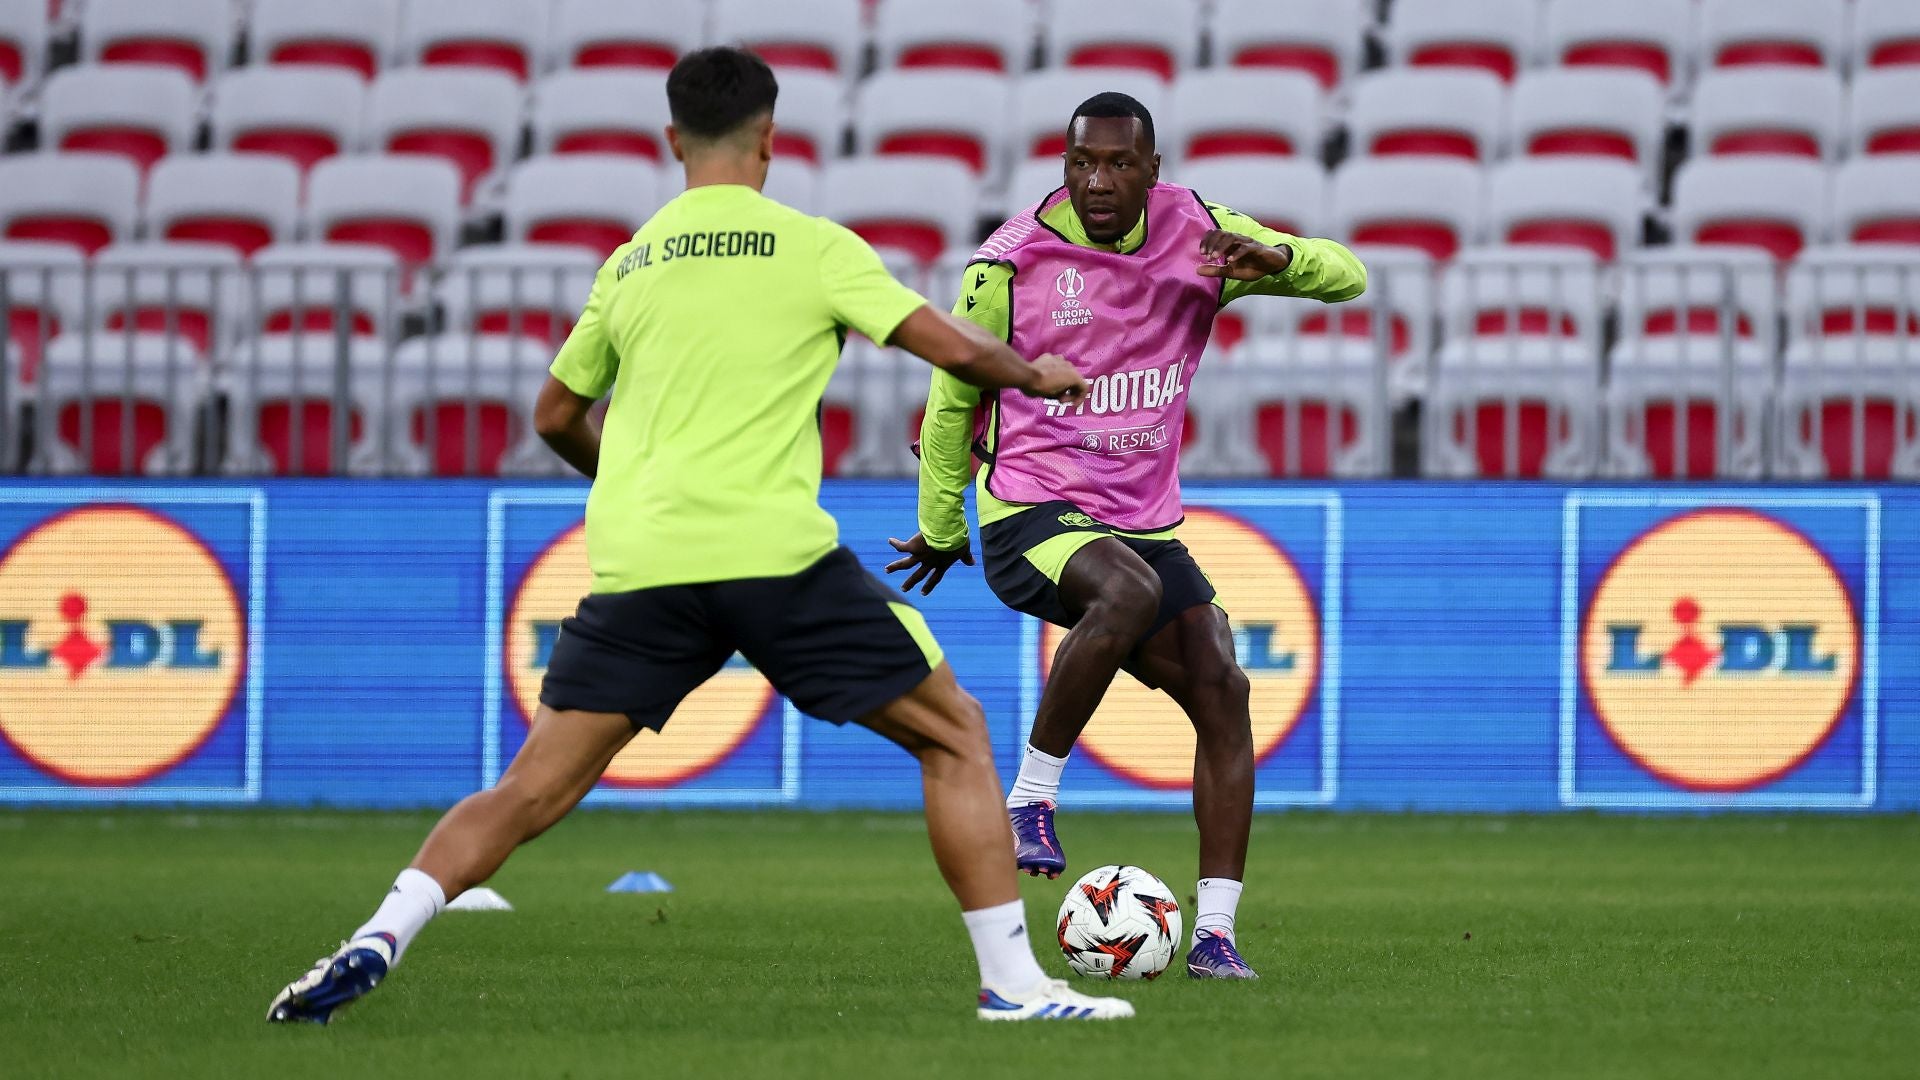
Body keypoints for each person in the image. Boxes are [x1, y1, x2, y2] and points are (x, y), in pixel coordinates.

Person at [267, 47, 1133, 1025]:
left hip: (645, 565)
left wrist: (635, 483)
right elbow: (947, 343)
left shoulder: (628, 264)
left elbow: (554, 414)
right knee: (955, 734)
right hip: (776, 561)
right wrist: (1035, 374)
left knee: (531, 790)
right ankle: (1013, 985)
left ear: (672, 140)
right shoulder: (810, 245)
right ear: (770, 136)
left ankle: (380, 932)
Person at [886, 92, 1367, 980]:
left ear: (1153, 167)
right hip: (1030, 512)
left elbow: (1350, 275)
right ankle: (1031, 798)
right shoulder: (1011, 265)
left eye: (1116, 164)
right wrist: (943, 525)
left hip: (1140, 521)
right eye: (1081, 163)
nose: (1097, 180)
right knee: (1129, 591)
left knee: (1223, 681)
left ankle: (1216, 937)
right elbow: (953, 397)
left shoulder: (1204, 231)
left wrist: (1281, 259)